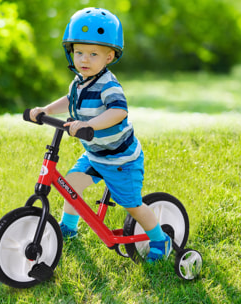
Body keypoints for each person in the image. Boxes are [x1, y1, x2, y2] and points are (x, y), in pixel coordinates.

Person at [30, 7, 171, 262]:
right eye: (79, 52)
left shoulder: (108, 85)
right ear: (70, 52)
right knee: (71, 184)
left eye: (93, 53)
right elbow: (70, 100)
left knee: (132, 205)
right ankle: (68, 228)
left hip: (120, 159)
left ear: (109, 57)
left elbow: (118, 111)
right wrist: (46, 110)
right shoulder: (79, 80)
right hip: (96, 154)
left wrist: (91, 125)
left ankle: (161, 239)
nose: (84, 59)